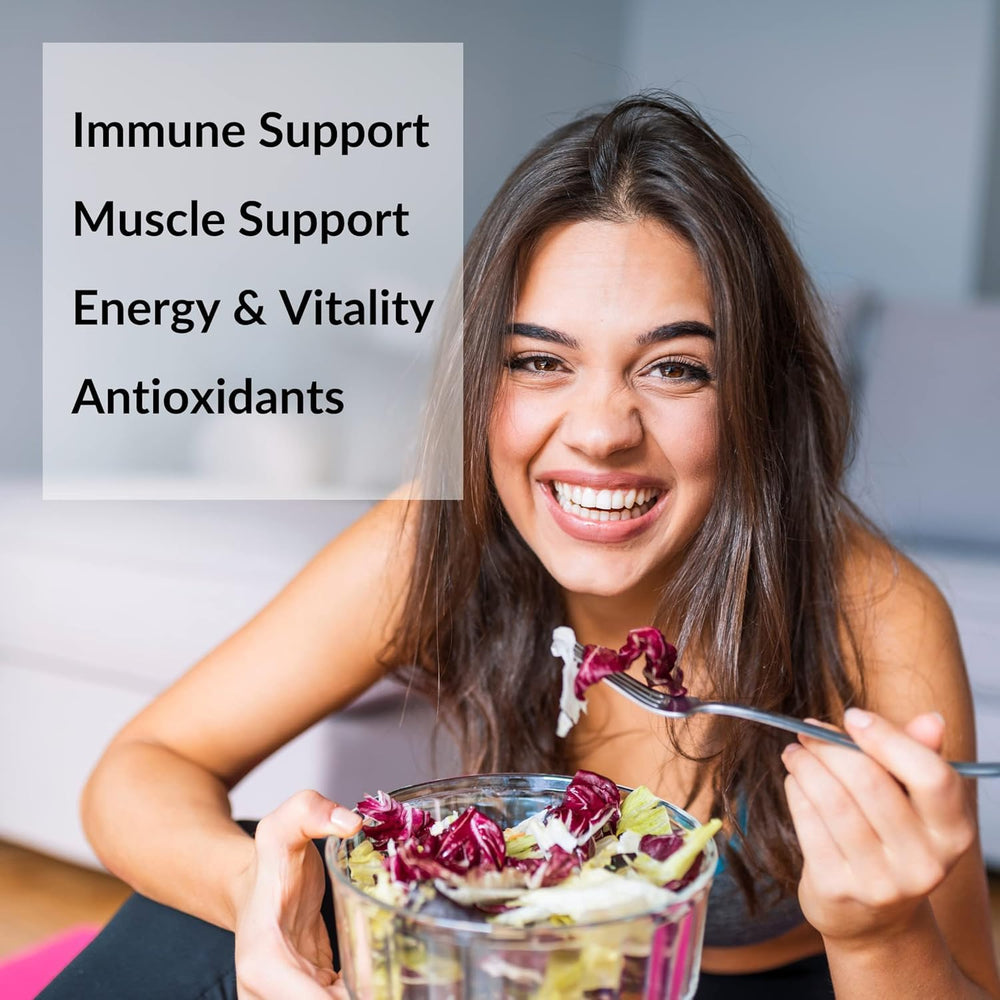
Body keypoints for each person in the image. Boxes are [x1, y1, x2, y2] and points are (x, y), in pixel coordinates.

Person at [41, 94, 999, 1000]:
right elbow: (144, 766)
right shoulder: (441, 535)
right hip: (517, 968)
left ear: (755, 394)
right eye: (540, 361)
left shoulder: (871, 609)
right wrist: (253, 892)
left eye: (674, 368)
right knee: (220, 907)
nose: (601, 432)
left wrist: (882, 933)